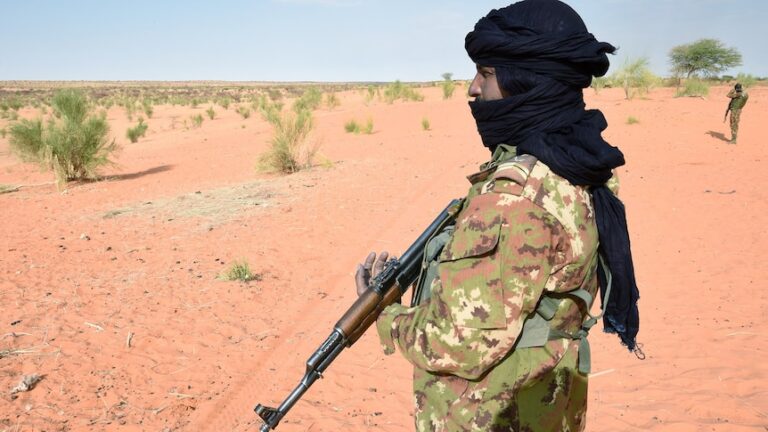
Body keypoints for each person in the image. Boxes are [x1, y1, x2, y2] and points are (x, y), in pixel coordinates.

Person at [355, 1, 640, 430]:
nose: (473, 88)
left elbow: (461, 342)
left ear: (524, 82)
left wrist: (382, 313)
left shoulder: (516, 196)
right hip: (547, 408)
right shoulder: (578, 165)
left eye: (486, 74)